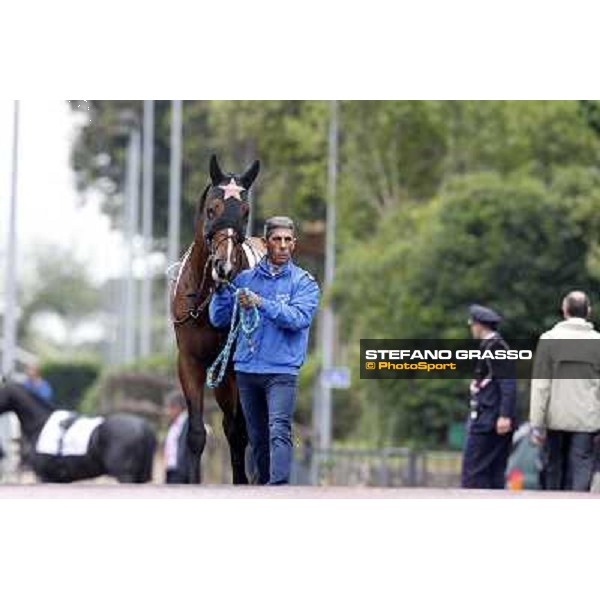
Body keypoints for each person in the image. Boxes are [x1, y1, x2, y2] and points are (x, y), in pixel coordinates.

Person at [209, 216, 320, 485]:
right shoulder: (244, 278)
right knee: (256, 436)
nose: (282, 245)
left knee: (279, 430)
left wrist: (260, 303)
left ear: (294, 244)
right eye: (276, 240)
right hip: (247, 370)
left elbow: (297, 318)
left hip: (281, 372)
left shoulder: (304, 283)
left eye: (287, 240)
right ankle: (265, 486)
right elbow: (219, 318)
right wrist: (221, 288)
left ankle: (279, 487)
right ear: (266, 243)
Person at [530, 290, 600, 491]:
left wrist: (537, 423)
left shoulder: (548, 339)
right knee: (582, 465)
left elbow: (541, 385)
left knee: (554, 466)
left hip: (555, 417)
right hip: (587, 418)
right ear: (588, 311)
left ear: (564, 311)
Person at [461, 304, 517, 489]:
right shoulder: (489, 347)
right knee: (491, 473)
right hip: (488, 417)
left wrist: (504, 415)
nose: (471, 328)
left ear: (479, 325)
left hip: (489, 420)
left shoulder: (496, 347)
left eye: (472, 324)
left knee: (473, 473)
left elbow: (508, 383)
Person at [163, 389, 190, 484]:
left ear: (177, 408)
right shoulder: (175, 425)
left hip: (182, 474)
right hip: (172, 471)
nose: (167, 412)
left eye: (169, 408)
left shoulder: (188, 424)